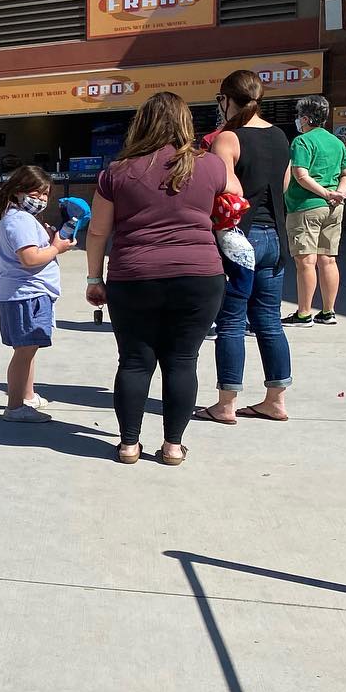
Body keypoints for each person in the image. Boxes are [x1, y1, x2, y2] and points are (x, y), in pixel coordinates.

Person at [85, 91, 236, 465]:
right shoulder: (210, 165)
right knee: (182, 360)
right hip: (199, 274)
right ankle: (172, 446)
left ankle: (128, 445)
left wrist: (94, 278)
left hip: (134, 275)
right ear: (185, 123)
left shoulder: (116, 172)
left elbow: (98, 232)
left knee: (134, 361)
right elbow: (235, 199)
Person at [195, 71, 294, 424]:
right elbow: (284, 186)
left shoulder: (228, 138)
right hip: (275, 237)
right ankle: (275, 401)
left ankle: (226, 404)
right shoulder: (280, 136)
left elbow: (225, 188)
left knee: (231, 321)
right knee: (269, 321)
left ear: (226, 100)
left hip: (240, 237)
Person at [0, 166, 71, 422]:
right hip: (27, 294)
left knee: (28, 349)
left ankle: (27, 396)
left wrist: (49, 239)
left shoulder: (19, 217)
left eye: (45, 194)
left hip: (25, 294)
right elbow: (29, 258)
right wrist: (56, 247)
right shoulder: (20, 220)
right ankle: (15, 407)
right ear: (17, 191)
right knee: (25, 351)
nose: (41, 199)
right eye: (35, 193)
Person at [282, 94, 346, 326]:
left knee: (305, 261)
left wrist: (324, 193)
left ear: (305, 118)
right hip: (333, 209)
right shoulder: (336, 142)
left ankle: (304, 313)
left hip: (305, 206)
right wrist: (338, 193)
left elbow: (300, 175)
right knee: (328, 260)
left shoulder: (301, 141)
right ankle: (328, 311)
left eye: (299, 116)